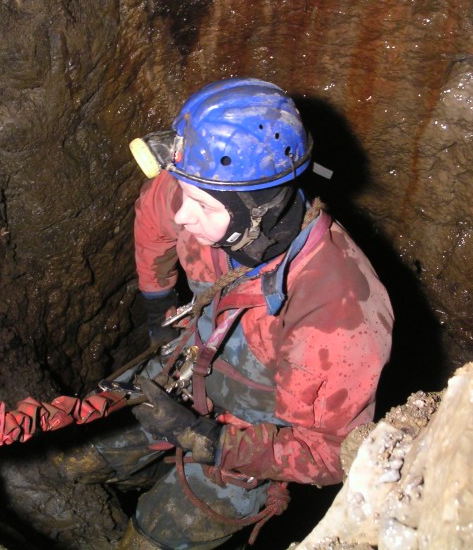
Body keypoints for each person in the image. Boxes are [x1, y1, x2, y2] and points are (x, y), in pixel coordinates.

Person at [77, 77, 393, 549]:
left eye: (200, 203)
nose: (183, 213)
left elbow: (333, 453)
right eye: (184, 192)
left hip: (251, 445)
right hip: (182, 374)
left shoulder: (338, 307)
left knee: (148, 542)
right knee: (65, 457)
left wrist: (209, 441)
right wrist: (157, 304)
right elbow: (155, 214)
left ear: (258, 210)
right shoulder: (200, 191)